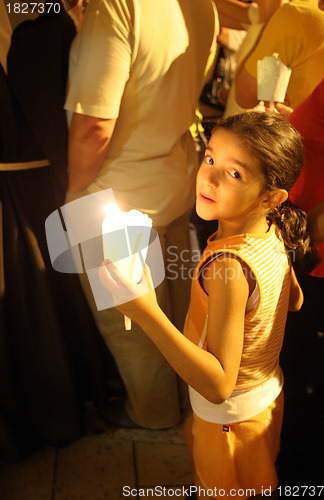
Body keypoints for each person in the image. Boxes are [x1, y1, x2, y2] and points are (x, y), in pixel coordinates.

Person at [99, 112, 321, 498]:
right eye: (210, 158)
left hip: (230, 421)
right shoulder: (271, 230)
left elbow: (218, 385)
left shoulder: (229, 268)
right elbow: (295, 300)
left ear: (271, 197)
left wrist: (145, 312)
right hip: (265, 396)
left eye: (235, 173)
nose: (210, 177)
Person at [64, 0, 219, 429]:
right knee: (176, 311)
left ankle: (153, 414)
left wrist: (76, 191)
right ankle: (192, 403)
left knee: (131, 324)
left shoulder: (117, 6)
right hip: (174, 178)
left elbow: (95, 124)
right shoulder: (202, 6)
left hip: (115, 192)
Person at [0, 1, 119, 463]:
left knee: (32, 299)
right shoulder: (45, 22)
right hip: (49, 176)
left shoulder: (37, 25)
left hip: (36, 181)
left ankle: (51, 406)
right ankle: (79, 392)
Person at [270, 0, 324, 486]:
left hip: (322, 265)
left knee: (303, 395)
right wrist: (300, 127)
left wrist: (299, 242)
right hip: (312, 255)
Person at [234, 0, 324, 110]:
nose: (323, 7)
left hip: (287, 125)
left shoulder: (294, 13)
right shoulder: (300, 11)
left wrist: (270, 18)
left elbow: (244, 97)